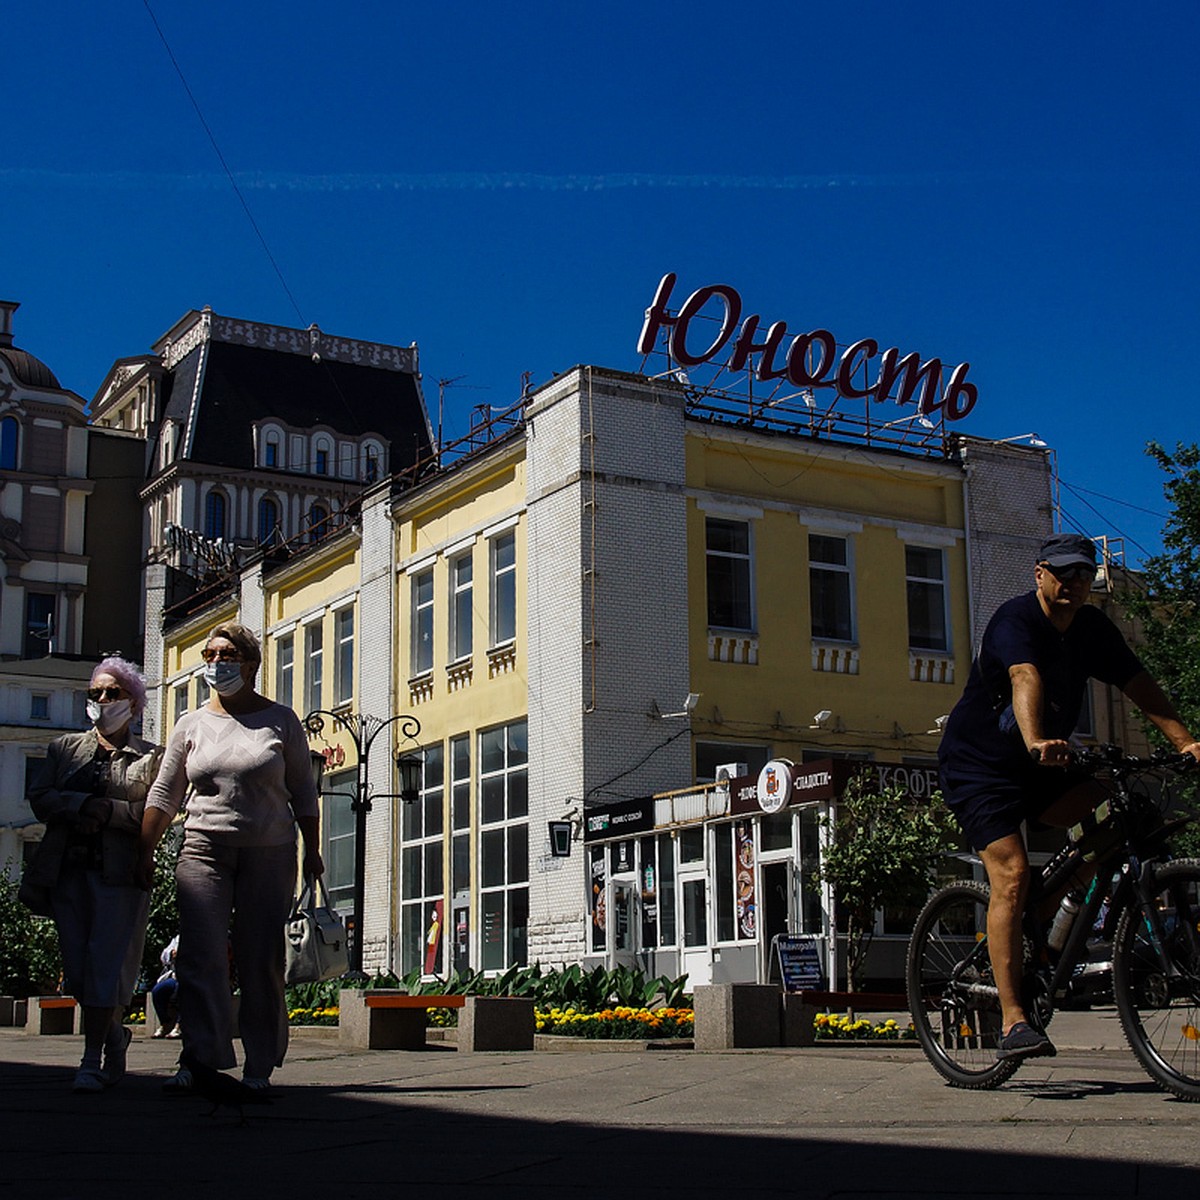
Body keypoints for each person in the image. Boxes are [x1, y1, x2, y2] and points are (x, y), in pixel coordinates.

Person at [938, 533, 1200, 1061]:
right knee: (1011, 873)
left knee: (1120, 810)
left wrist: (1187, 742)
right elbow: (1023, 675)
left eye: (1083, 575)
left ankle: (1051, 916)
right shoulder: (1015, 621)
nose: (1074, 584)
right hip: (982, 768)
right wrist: (1035, 738)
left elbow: (1138, 683)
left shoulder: (1092, 628)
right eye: (1063, 573)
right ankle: (1013, 1021)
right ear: (1040, 574)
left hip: (1048, 762)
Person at [137, 623, 323, 1092]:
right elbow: (165, 792)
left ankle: (258, 1063)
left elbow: (303, 789)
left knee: (260, 958)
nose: (217, 662)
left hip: (270, 852)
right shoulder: (191, 723)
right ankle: (200, 1056)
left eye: (228, 654)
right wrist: (145, 849)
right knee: (200, 958)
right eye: (210, 654)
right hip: (204, 849)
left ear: (251, 664)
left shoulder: (281, 720)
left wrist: (314, 851)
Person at [23, 658, 163, 1093]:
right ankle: (115, 1033)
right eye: (96, 693)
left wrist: (112, 813)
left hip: (121, 873)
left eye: (113, 693)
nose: (103, 700)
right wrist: (79, 806)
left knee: (107, 965)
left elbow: (157, 812)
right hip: (68, 870)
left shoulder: (150, 757)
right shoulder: (64, 749)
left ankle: (89, 1060)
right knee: (80, 971)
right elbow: (40, 796)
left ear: (133, 701)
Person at [150, 934, 181, 1038]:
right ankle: (165, 1023)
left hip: (191, 977)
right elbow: (164, 956)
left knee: (182, 991)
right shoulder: (177, 938)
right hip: (175, 976)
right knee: (158, 991)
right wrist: (171, 953)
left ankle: (179, 1026)